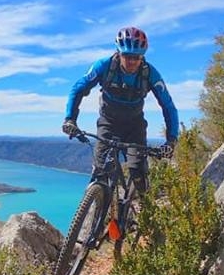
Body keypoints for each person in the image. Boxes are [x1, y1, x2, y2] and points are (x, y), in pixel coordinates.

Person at [62, 26, 179, 192]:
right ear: (118, 52)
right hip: (108, 123)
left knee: (138, 173)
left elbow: (168, 106)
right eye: (127, 56)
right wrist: (70, 119)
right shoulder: (104, 66)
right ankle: (97, 207)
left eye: (136, 57)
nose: (131, 62)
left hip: (134, 127)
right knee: (101, 172)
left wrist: (171, 140)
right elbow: (78, 89)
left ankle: (141, 208)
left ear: (142, 56)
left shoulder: (150, 74)